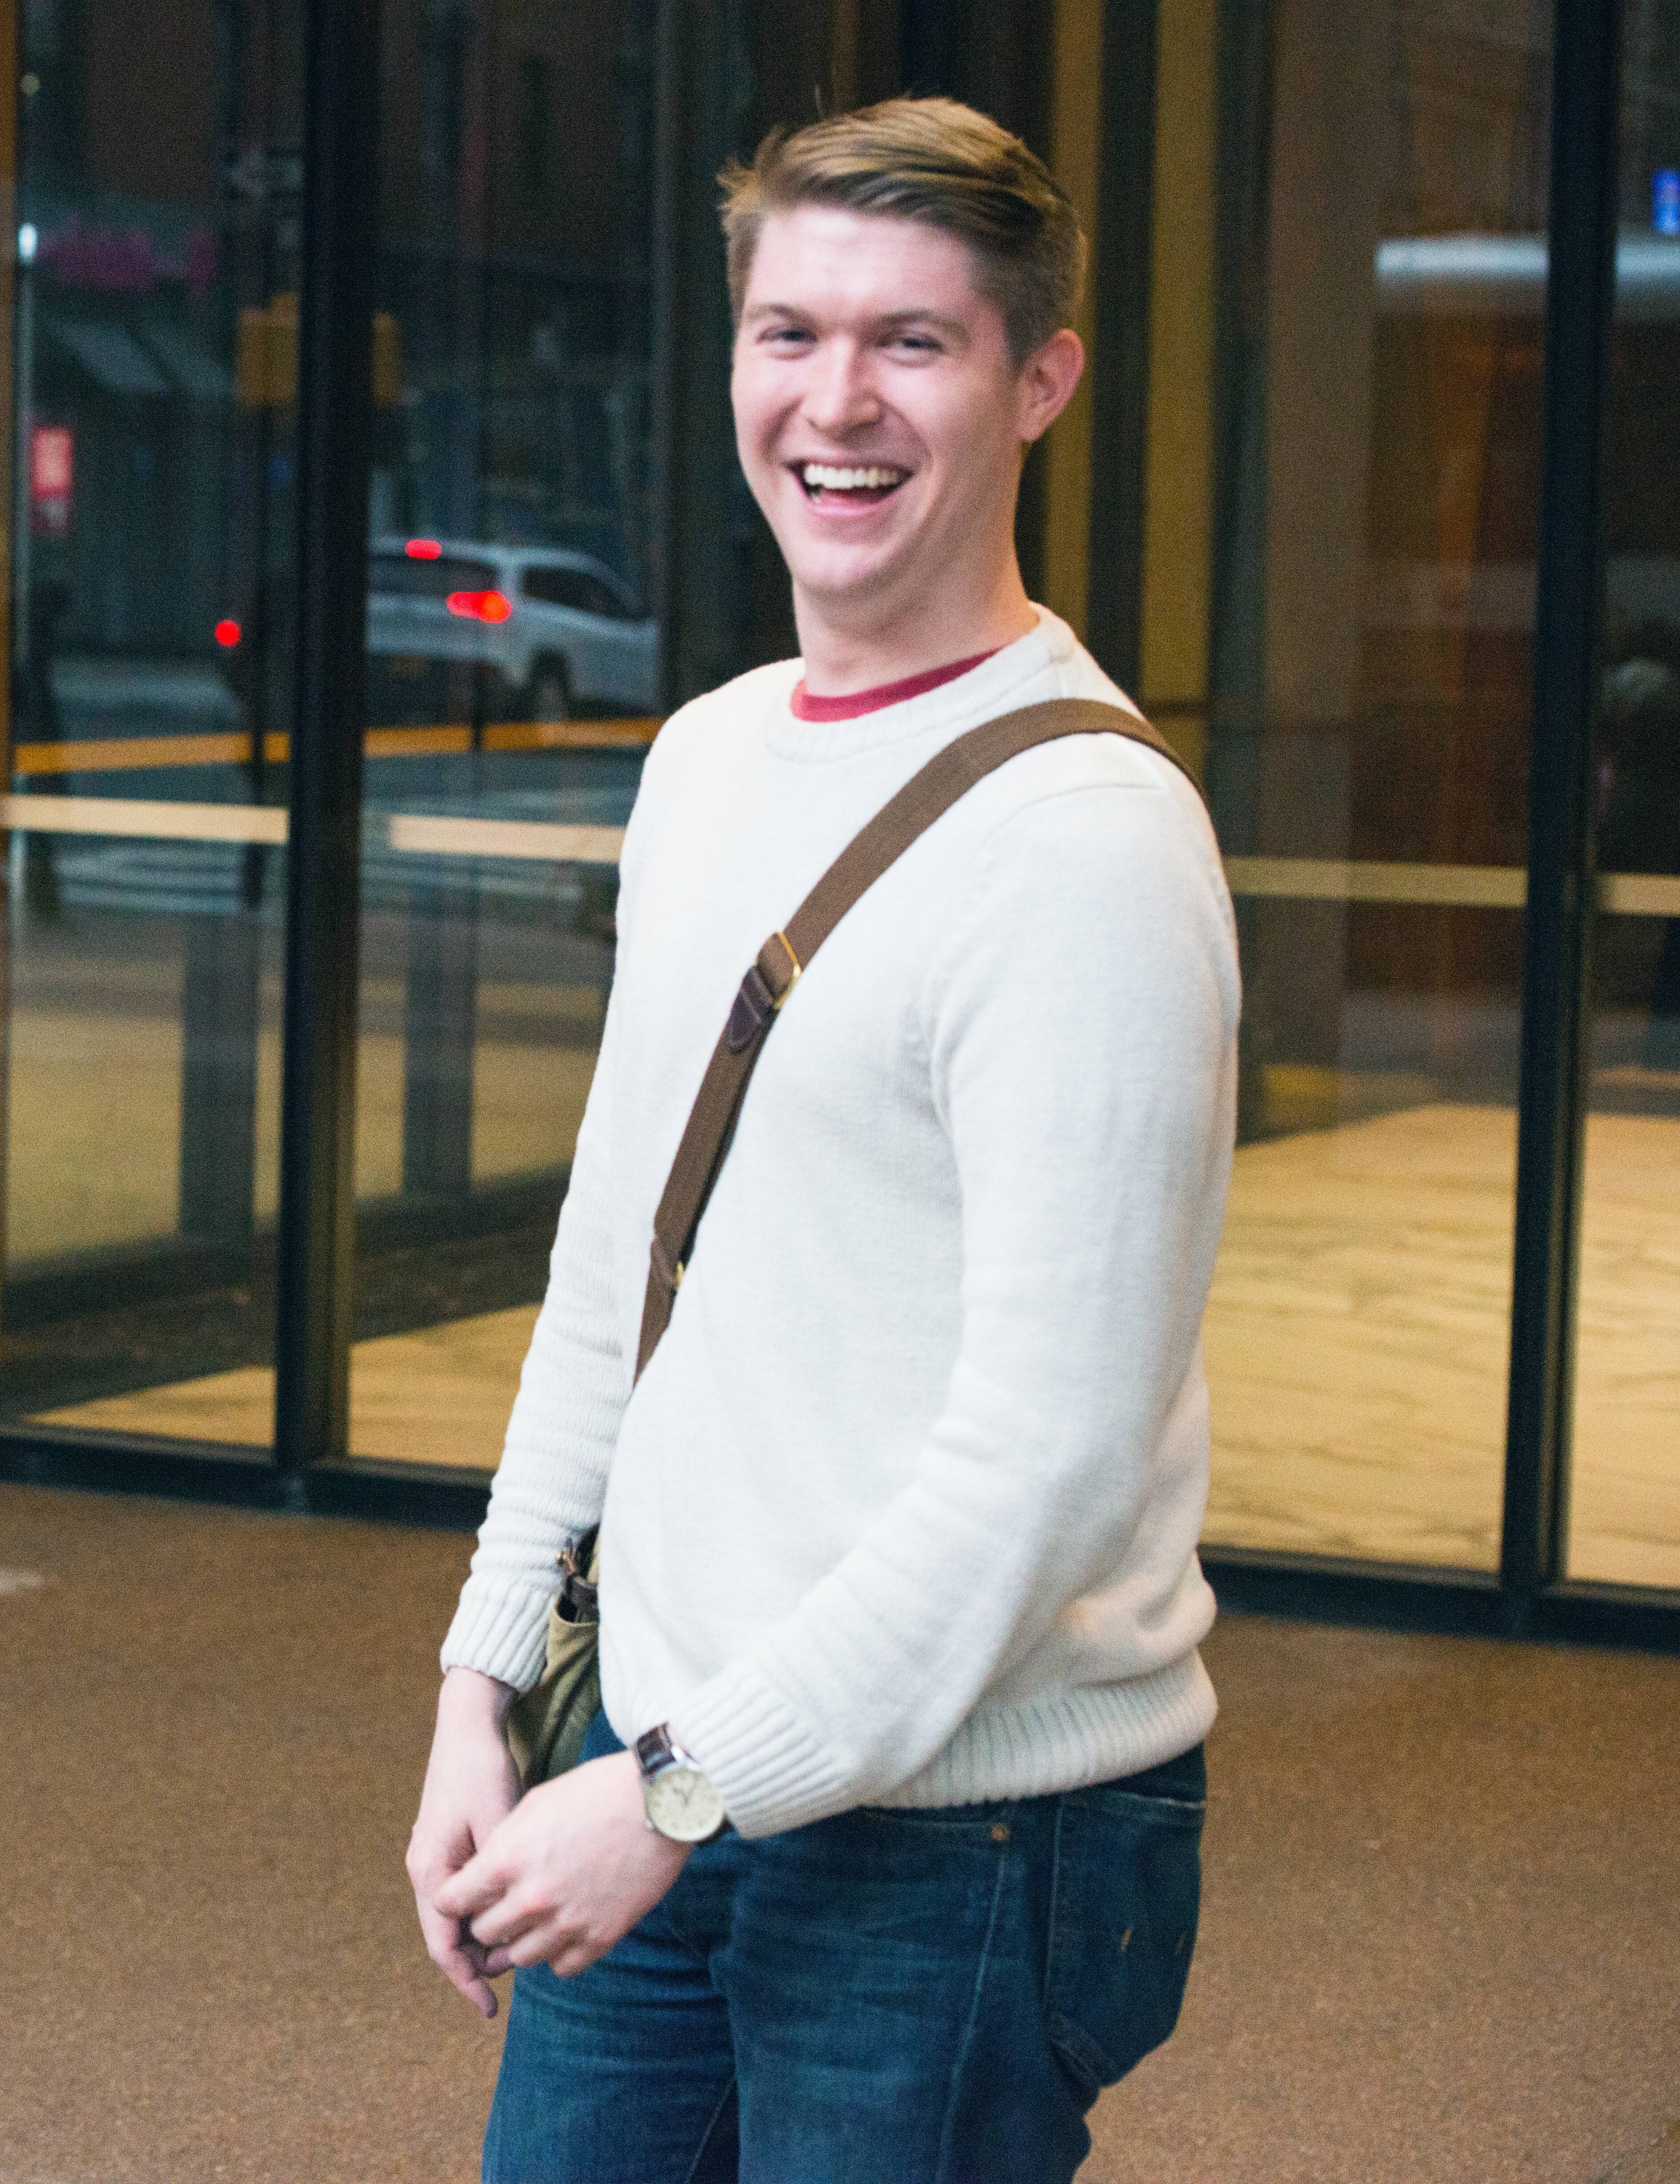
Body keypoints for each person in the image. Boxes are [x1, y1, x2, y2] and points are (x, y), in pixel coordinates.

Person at [403, 100, 1237, 2182]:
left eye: (911, 342)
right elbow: (616, 1272)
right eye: (788, 333)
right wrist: (485, 1680)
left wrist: (678, 1790)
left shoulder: (1087, 843)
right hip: (661, 1756)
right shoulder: (704, 760)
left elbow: (1047, 1455)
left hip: (958, 1838)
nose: (833, 402)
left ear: (1038, 380)